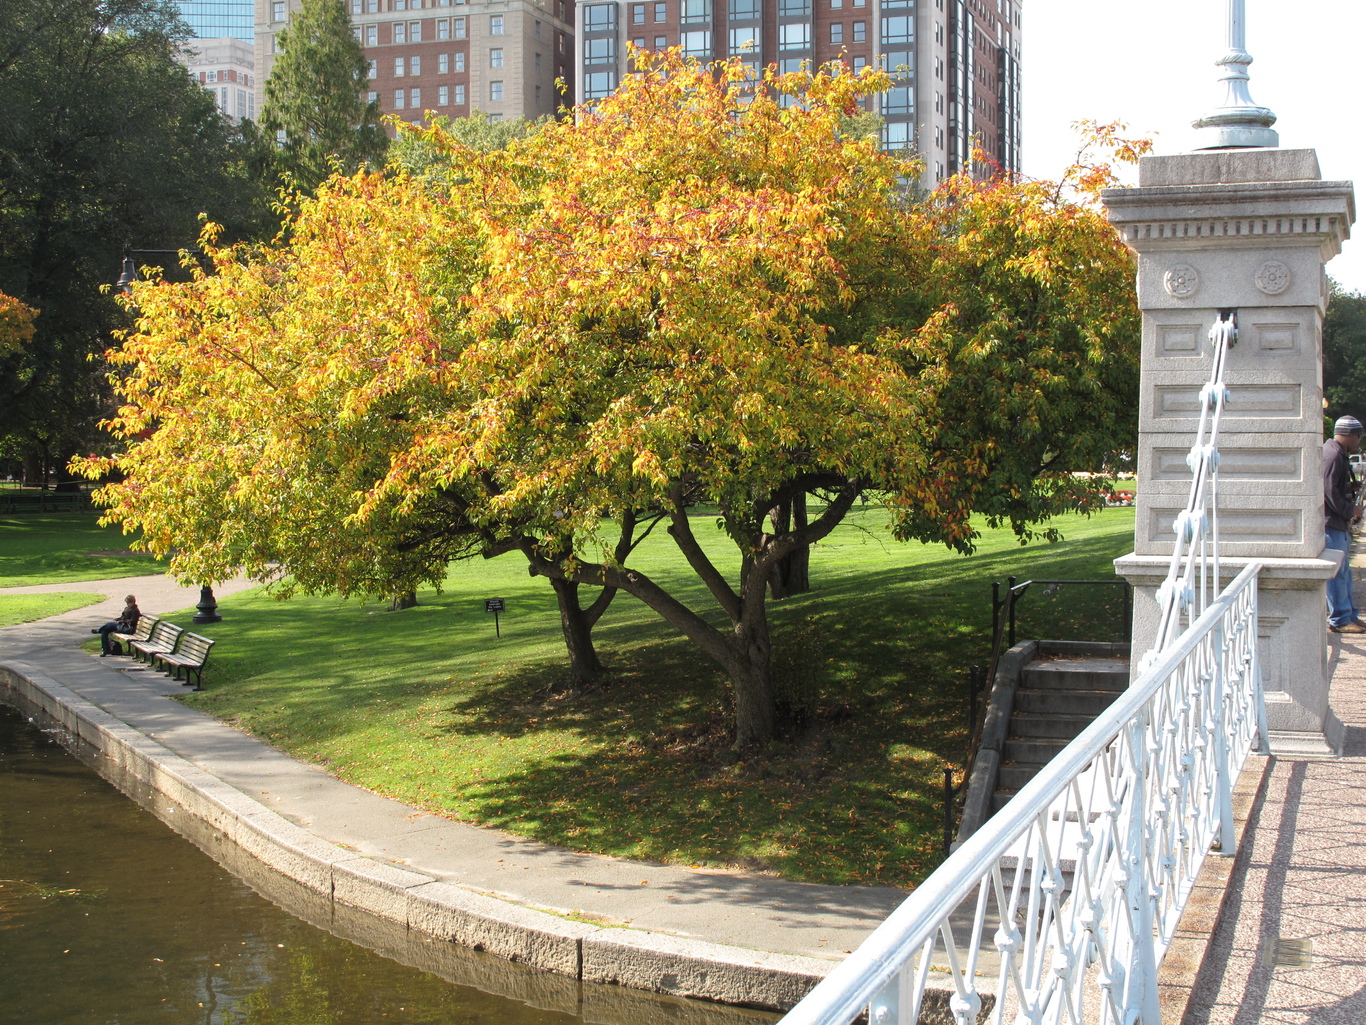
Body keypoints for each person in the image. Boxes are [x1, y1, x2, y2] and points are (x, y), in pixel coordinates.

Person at [1324, 416, 1364, 633]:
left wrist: (1353, 487)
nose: (1359, 441)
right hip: (1332, 523)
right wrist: (1350, 511)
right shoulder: (1333, 455)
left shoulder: (1337, 453)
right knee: (1337, 573)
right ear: (1350, 434)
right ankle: (1340, 619)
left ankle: (1348, 615)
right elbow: (1329, 491)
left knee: (1345, 573)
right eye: (1358, 436)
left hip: (1337, 523)